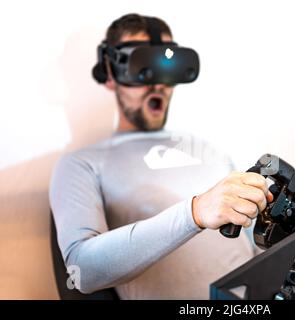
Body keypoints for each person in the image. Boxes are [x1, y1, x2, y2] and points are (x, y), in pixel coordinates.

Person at [49, 13, 272, 299]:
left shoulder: (211, 152)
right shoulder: (81, 164)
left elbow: (256, 248)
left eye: (166, 67)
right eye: (142, 67)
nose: (157, 85)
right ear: (109, 72)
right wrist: (194, 212)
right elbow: (82, 271)